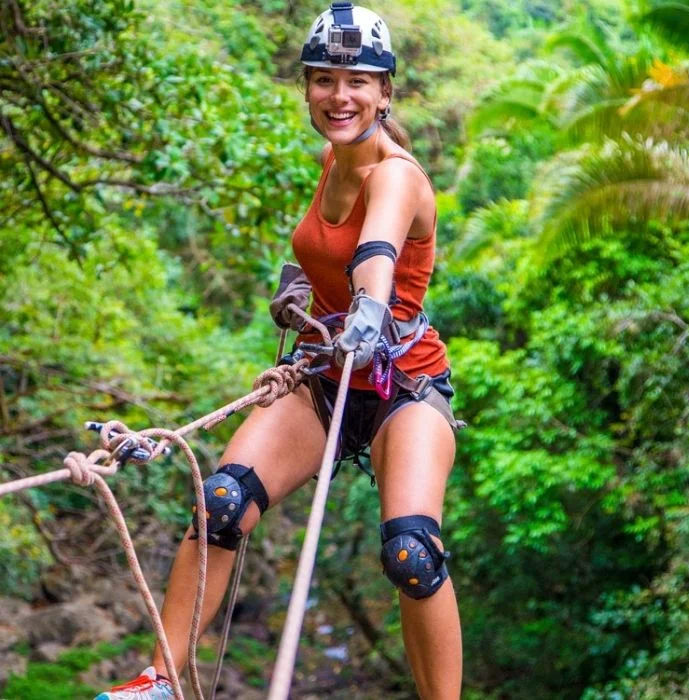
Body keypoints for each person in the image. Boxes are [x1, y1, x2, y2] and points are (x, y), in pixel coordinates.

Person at [96, 3, 464, 699]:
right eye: (324, 80)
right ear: (307, 88)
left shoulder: (397, 175)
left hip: (403, 388)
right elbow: (325, 249)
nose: (338, 96)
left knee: (412, 551)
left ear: (386, 91)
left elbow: (377, 250)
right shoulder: (334, 159)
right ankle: (160, 681)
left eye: (357, 82)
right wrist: (303, 286)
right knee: (223, 502)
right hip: (323, 378)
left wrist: (368, 310)